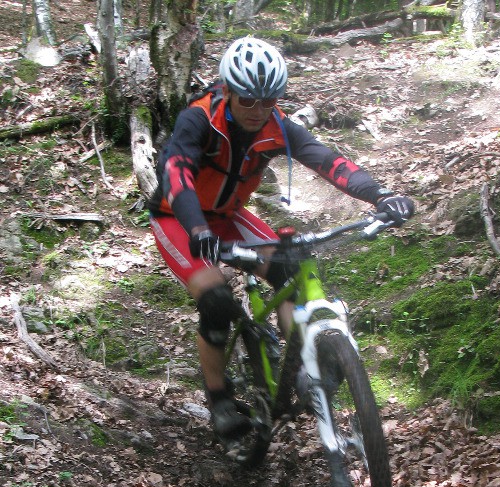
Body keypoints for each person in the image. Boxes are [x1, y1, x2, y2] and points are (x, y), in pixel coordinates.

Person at [149, 36, 415, 443]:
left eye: (268, 101)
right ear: (229, 92)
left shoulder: (277, 124)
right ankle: (219, 398)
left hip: (230, 216)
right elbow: (176, 174)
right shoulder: (199, 119)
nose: (258, 111)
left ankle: (305, 367)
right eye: (248, 101)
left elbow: (328, 161)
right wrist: (197, 229)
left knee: (290, 268)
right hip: (179, 218)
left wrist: (381, 195)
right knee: (217, 300)